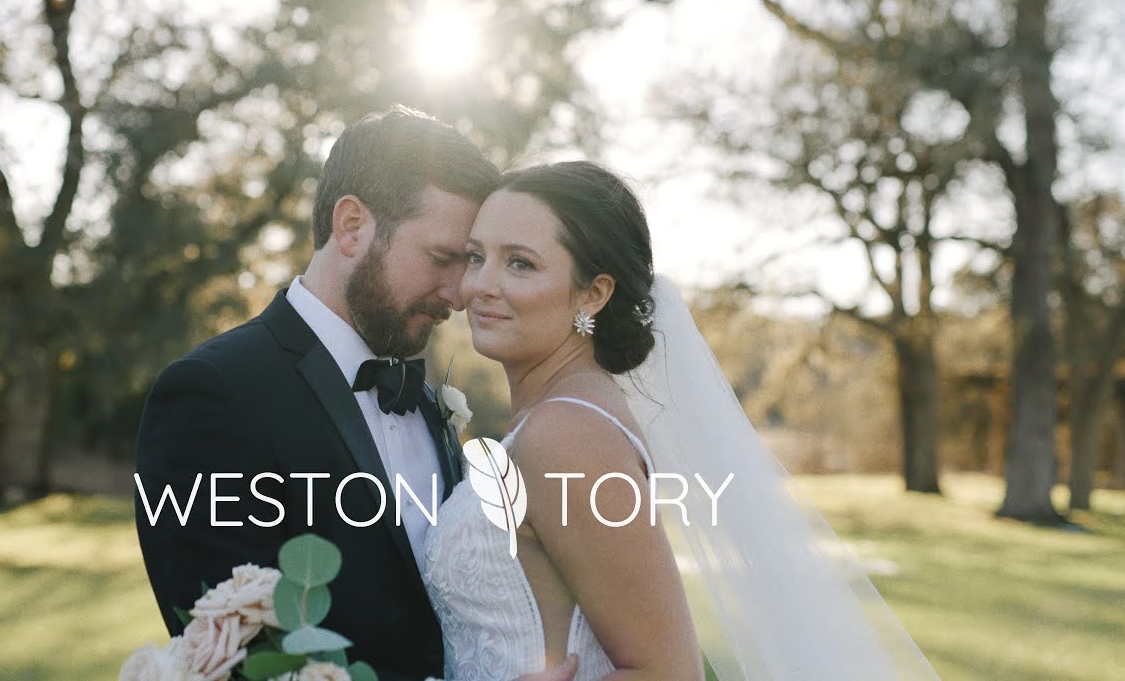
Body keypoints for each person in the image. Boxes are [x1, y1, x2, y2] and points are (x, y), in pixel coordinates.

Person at [422, 161, 941, 680]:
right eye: (476, 256)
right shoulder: (558, 419)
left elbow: (669, 673)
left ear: (594, 294)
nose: (480, 285)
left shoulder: (566, 436)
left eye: (520, 264)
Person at [134, 106, 576, 681]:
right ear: (351, 226)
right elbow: (237, 662)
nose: (461, 292)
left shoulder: (427, 397)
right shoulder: (212, 393)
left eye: (466, 263)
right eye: (443, 259)